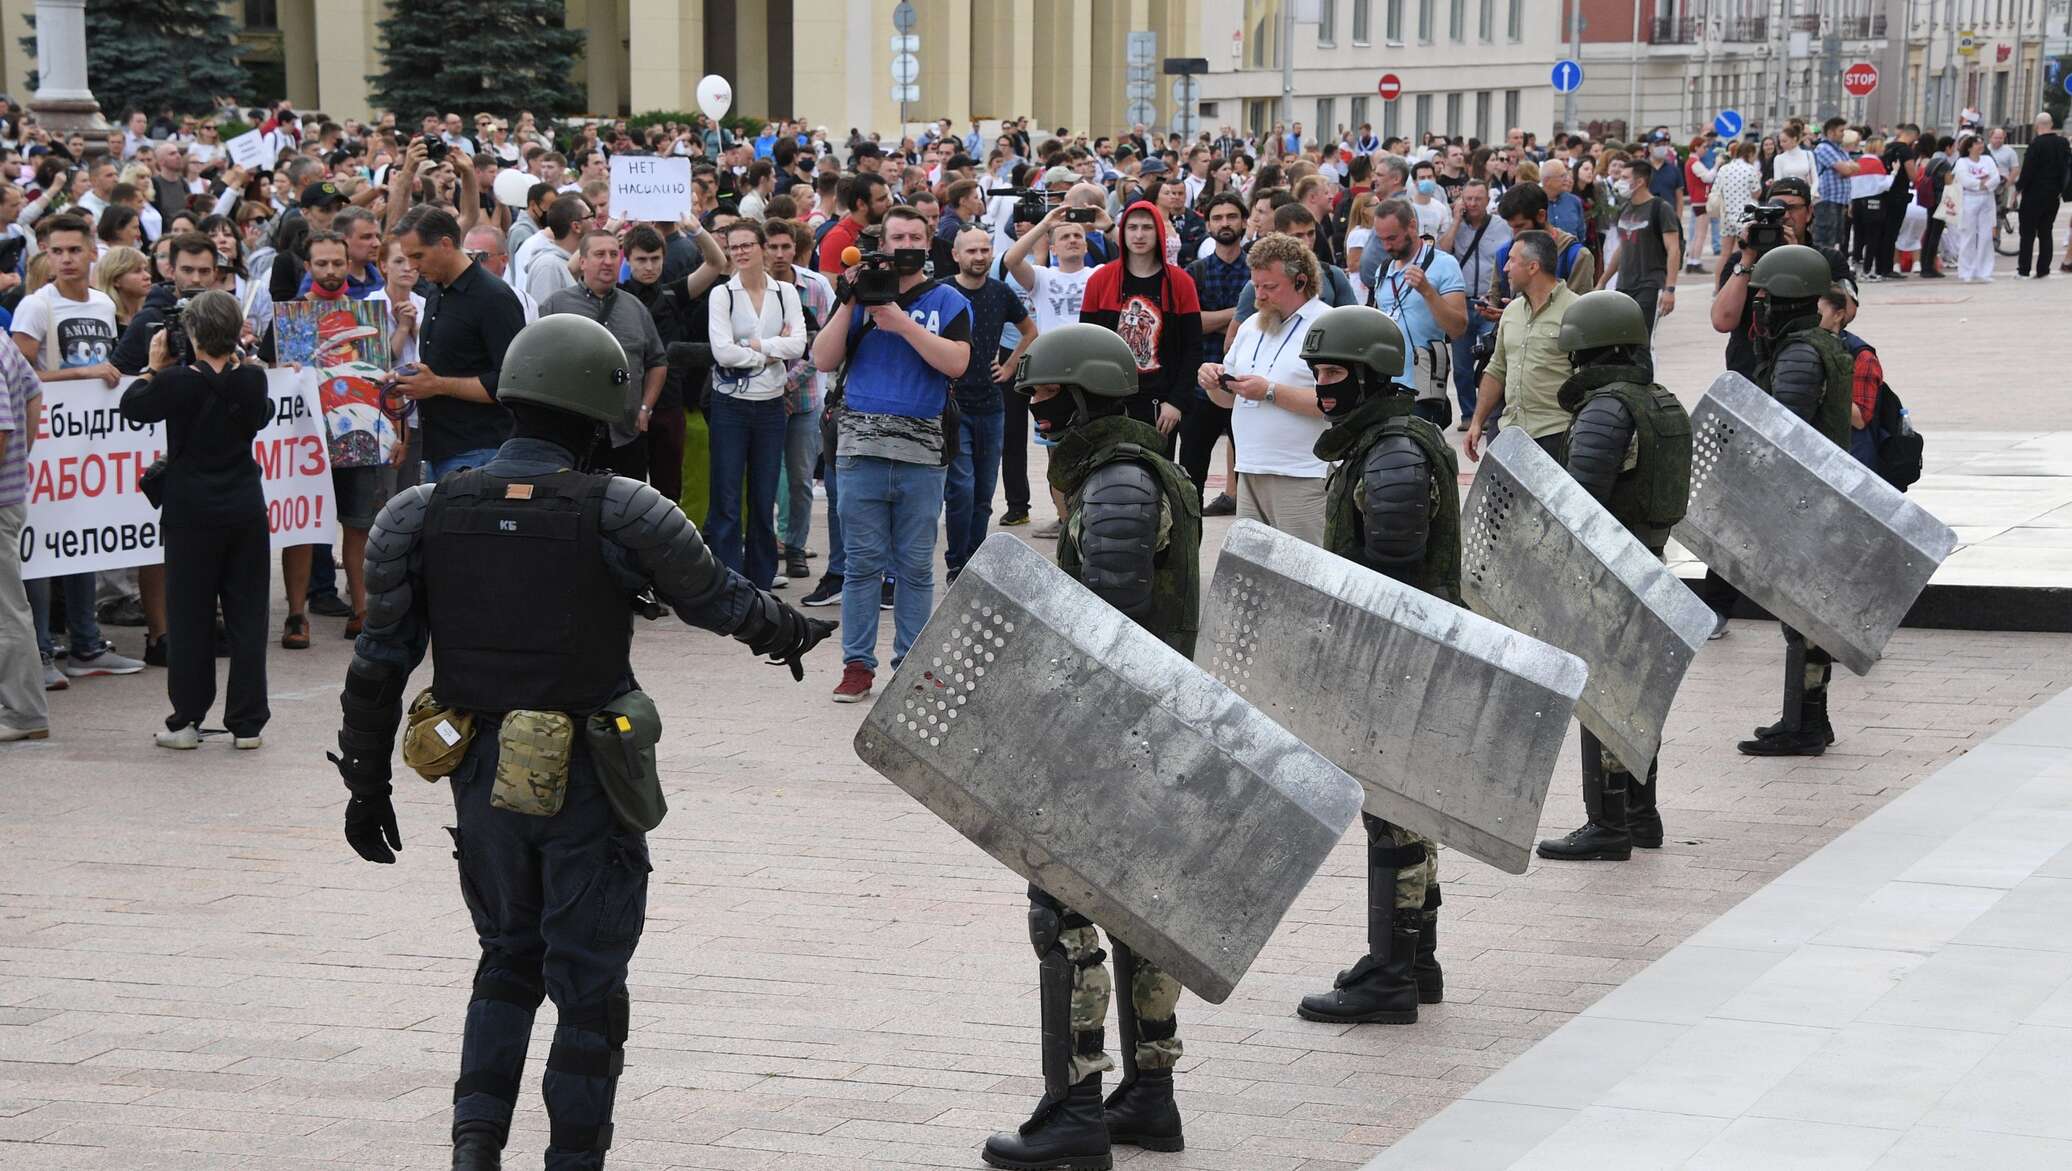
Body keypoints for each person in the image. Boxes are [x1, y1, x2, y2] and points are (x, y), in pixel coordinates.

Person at [329, 313, 835, 1171]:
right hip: (589, 784)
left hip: (479, 778)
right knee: (590, 988)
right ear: (596, 409)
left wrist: (366, 786)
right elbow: (717, 598)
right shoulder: (623, 507)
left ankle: (474, 1150)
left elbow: (378, 664)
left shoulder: (418, 512)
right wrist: (789, 630)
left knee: (504, 961)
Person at [984, 323, 1200, 1170]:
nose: (1036, 407)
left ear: (1083, 395)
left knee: (1068, 912)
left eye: (1045, 393)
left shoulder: (1115, 481)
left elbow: (1104, 617)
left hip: (1110, 734)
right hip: (1149, 727)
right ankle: (1150, 1094)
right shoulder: (1138, 468)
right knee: (1139, 916)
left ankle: (1074, 1107)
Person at [1286, 305, 1452, 1026]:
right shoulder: (1382, 441)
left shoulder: (1392, 453)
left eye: (1331, 374)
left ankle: (1393, 973)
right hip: (1402, 657)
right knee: (1404, 814)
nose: (1322, 390)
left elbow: (1392, 570)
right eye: (1317, 374)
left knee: (1395, 817)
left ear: (1369, 375)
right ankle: (1412, 957)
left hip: (1399, 659)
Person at [1534, 290, 1691, 862]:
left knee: (1603, 701)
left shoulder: (1606, 408)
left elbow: (1581, 503)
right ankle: (1641, 815)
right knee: (1639, 699)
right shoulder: (1661, 400)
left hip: (1612, 573)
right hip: (1653, 562)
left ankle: (1608, 823)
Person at [811, 205, 972, 703]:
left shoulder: (947, 299)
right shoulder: (860, 296)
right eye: (895, 236)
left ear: (928, 245)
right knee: (861, 566)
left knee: (916, 567)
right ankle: (856, 665)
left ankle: (912, 666)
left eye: (913, 236)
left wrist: (902, 323)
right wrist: (848, 300)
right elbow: (822, 358)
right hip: (859, 449)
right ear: (882, 241)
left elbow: (957, 364)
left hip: (923, 452)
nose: (904, 244)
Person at [117, 290, 273, 750]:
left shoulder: (176, 383)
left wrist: (153, 366)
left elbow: (133, 406)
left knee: (189, 617)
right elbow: (260, 417)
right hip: (245, 507)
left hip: (191, 511)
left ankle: (186, 720)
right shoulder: (253, 381)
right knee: (248, 615)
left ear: (192, 332)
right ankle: (247, 725)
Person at [13, 214, 143, 688]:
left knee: (83, 540)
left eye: (74, 250)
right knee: (44, 551)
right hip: (45, 444)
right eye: (56, 251)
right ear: (46, 254)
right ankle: (43, 650)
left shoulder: (104, 304)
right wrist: (78, 377)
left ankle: (87, 646)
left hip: (87, 444)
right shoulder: (34, 306)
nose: (66, 259)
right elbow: (18, 377)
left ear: (93, 253)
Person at [1738, 245, 1852, 758]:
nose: (1758, 305)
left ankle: (1804, 724)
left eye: (1765, 296)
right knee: (1805, 619)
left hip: (1805, 501)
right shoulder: (1814, 344)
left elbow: (1785, 433)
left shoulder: (1801, 353)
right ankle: (1809, 717)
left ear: (1788, 299)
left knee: (1802, 619)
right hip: (1818, 499)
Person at [1197, 233, 1329, 543]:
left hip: (1302, 475)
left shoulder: (1327, 325)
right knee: (1254, 574)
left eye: (1270, 287)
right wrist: (1213, 382)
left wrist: (1270, 391)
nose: (1260, 296)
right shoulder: (1251, 326)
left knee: (1306, 575)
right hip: (1250, 470)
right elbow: (1227, 403)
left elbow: (1333, 402)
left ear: (1300, 282)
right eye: (1255, 286)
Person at [701, 219, 806, 589]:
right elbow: (722, 352)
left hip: (771, 406)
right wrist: (769, 351)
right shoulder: (722, 295)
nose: (741, 252)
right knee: (726, 496)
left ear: (762, 247)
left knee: (763, 498)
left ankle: (760, 580)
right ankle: (727, 578)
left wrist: (755, 346)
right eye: (734, 246)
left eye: (748, 244)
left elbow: (798, 346)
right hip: (730, 404)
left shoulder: (785, 293)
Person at [391, 204, 527, 479]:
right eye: (406, 257)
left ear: (445, 244)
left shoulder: (493, 297)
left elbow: (511, 382)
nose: (412, 266)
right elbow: (445, 364)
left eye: (418, 256)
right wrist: (406, 380)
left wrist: (437, 385)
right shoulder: (436, 290)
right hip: (439, 450)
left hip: (480, 452)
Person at [942, 225, 1035, 581]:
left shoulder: (1000, 292)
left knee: (983, 492)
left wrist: (1010, 365)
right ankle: (957, 563)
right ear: (956, 255)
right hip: (954, 406)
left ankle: (974, 560)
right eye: (972, 251)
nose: (979, 257)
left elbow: (1030, 331)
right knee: (961, 489)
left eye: (985, 250)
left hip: (991, 404)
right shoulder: (944, 292)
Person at [999, 205, 1098, 536]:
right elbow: (1011, 260)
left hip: (1090, 373)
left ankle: (1090, 516)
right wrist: (1045, 224)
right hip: (1052, 374)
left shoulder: (1098, 275)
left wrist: (1106, 223)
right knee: (1056, 454)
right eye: (1065, 237)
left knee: (1092, 448)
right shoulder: (1043, 277)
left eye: (1078, 236)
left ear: (1086, 245)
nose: (1072, 240)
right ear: (1052, 248)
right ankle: (1065, 518)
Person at [1078, 200, 1201, 445]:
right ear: (1122, 233)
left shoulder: (1181, 282)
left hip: (1160, 403)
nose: (1139, 235)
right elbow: (1086, 345)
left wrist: (1177, 401)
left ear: (1159, 232)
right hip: (1109, 399)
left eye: (1147, 227)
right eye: (1132, 227)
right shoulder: (1100, 280)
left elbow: (1193, 348)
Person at [1464, 231, 1579, 464]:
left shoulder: (1576, 312)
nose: (1505, 268)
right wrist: (1477, 422)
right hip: (1509, 433)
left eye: (1512, 260)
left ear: (1533, 267)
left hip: (1555, 437)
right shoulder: (1512, 312)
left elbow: (1586, 380)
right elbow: (1497, 370)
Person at [1363, 201, 1468, 430]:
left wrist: (1427, 291)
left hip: (1422, 388)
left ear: (1412, 226)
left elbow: (1458, 328)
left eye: (1392, 238)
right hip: (1385, 387)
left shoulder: (1444, 264)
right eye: (1381, 239)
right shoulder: (1384, 269)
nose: (1387, 246)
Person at [1180, 192, 1251, 510]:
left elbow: (1268, 319)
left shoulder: (1258, 268)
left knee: (1252, 476)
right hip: (1201, 387)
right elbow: (1192, 325)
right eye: (1218, 218)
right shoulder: (1195, 271)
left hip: (1248, 385)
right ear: (1207, 224)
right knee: (1190, 475)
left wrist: (1216, 319)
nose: (1225, 223)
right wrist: (1239, 316)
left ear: (1245, 222)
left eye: (1232, 216)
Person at [0, 334, 44, 742]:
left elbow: (1, 430)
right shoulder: (2, 341)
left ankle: (23, 711)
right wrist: (22, 457)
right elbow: (34, 394)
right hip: (8, 495)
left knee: (6, 608)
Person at [1597, 158, 1681, 333]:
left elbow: (1673, 249)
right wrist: (1603, 281)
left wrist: (1670, 289)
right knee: (1623, 341)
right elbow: (1622, 248)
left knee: (1641, 341)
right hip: (1624, 285)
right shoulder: (1625, 208)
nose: (1620, 182)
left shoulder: (1660, 208)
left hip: (1649, 285)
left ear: (1640, 181)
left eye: (1625, 177)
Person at [2015, 114, 2068, 278]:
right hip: (2053, 195)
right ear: (2051, 124)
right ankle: (2043, 269)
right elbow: (2067, 168)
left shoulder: (2035, 144)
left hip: (2033, 195)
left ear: (2037, 125)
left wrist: (2018, 188)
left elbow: (2028, 170)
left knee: (2028, 233)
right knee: (2046, 232)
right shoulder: (2063, 143)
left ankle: (2024, 270)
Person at [1951, 136, 2000, 283]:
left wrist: (1986, 184)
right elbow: (1964, 179)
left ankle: (1984, 271)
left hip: (1986, 198)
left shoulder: (1988, 160)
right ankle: (1966, 271)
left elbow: (1996, 177)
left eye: (1981, 142)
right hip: (1969, 199)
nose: (1981, 146)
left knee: (1986, 236)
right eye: (1977, 143)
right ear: (1969, 147)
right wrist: (1980, 183)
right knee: (1968, 235)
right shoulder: (1962, 162)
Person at [1810, 118, 1860, 251]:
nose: (1844, 133)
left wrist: (1847, 168)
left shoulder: (1839, 150)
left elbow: (1856, 167)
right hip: (1826, 200)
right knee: (1824, 239)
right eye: (1841, 130)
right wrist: (1847, 168)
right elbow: (1846, 169)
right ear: (1831, 132)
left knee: (1834, 239)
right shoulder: (1824, 148)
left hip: (1838, 201)